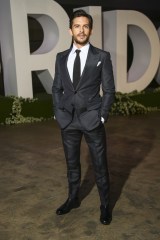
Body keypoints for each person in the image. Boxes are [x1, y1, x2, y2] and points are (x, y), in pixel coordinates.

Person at [52, 9, 115, 225]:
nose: (81, 30)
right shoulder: (60, 57)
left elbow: (109, 90)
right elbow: (56, 88)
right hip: (68, 120)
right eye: (77, 26)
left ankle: (105, 205)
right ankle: (73, 199)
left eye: (85, 26)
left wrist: (102, 116)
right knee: (72, 165)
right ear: (70, 29)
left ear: (90, 30)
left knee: (100, 165)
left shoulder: (101, 56)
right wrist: (57, 111)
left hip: (92, 120)